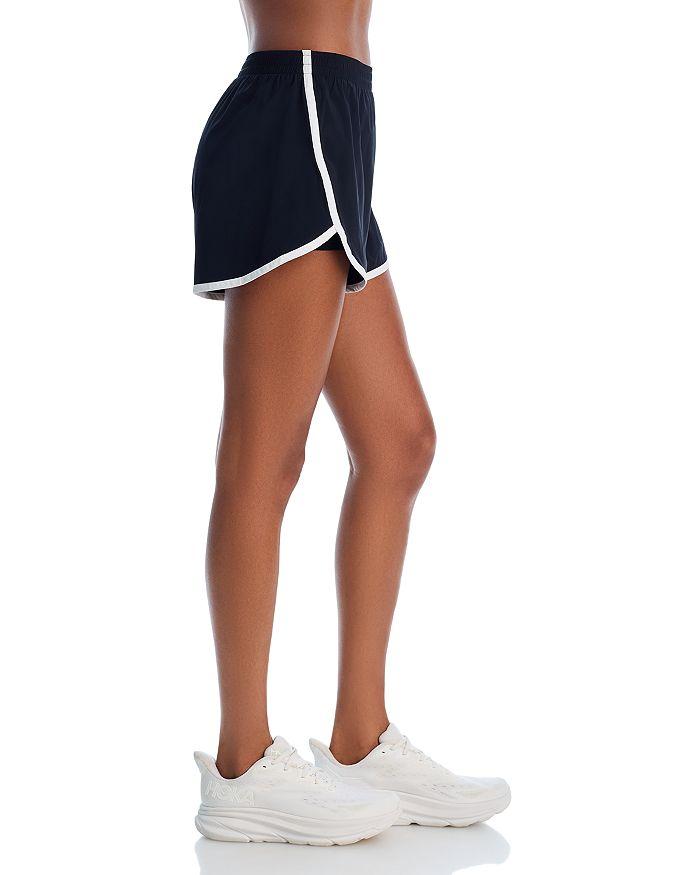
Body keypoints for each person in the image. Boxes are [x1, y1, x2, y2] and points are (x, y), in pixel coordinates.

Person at [191, 0, 510, 845]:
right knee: (265, 455)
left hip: (338, 119)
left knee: (399, 443)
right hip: (294, 112)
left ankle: (361, 738)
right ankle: (242, 763)